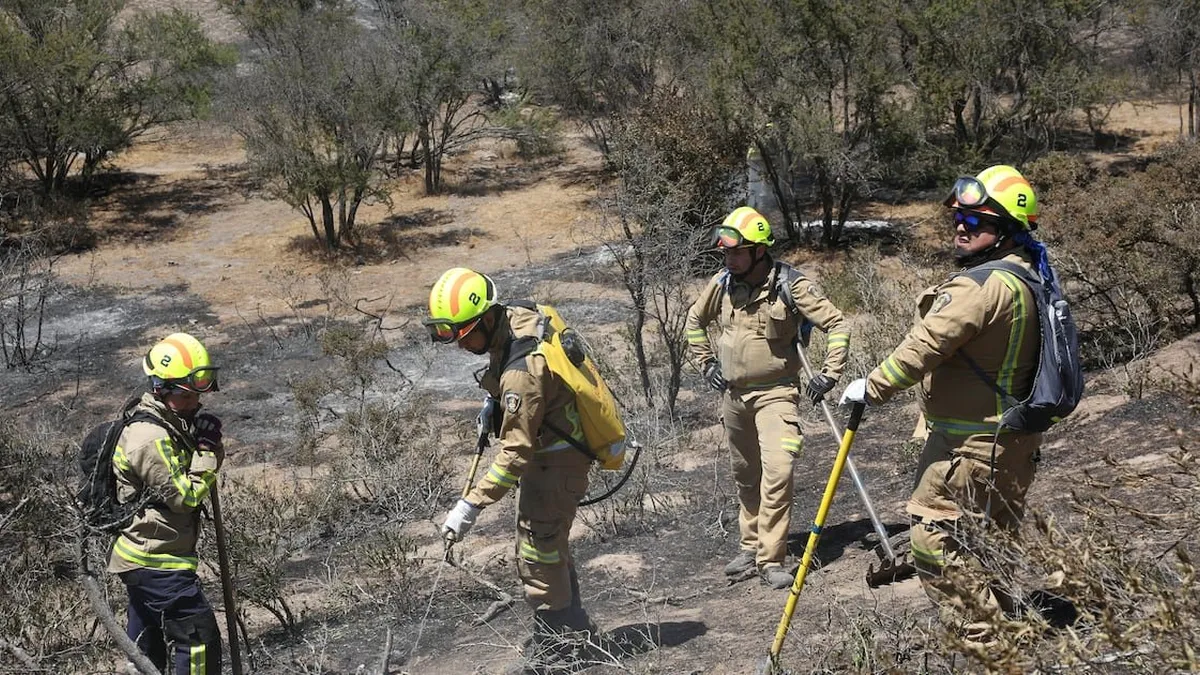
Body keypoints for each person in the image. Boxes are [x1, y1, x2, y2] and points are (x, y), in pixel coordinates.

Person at [840, 165, 1047, 647]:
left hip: (968, 446)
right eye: (958, 218)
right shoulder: (1029, 278)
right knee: (993, 541)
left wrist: (870, 386)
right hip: (1015, 442)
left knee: (932, 543)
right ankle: (1008, 630)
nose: (960, 227)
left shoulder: (981, 286)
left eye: (974, 221)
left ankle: (988, 643)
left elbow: (923, 347)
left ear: (1006, 228)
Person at [428, 268, 598, 656]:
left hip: (557, 460)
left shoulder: (522, 375)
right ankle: (574, 628)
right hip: (552, 448)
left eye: (464, 333)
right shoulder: (517, 315)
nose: (458, 344)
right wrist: (495, 401)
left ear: (488, 318)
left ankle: (560, 646)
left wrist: (471, 503)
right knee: (548, 542)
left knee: (539, 548)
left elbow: (515, 453)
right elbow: (505, 366)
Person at [684, 207, 850, 589]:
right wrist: (705, 363)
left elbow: (837, 324)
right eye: (726, 253)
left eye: (736, 252)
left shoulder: (791, 285)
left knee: (778, 471)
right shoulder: (723, 282)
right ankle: (751, 545)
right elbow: (694, 321)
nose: (729, 259)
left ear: (759, 251)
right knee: (747, 477)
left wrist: (829, 373)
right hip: (734, 398)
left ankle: (771, 561)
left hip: (777, 395)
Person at [109, 332, 225, 674]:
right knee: (199, 640)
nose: (197, 403)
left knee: (148, 647)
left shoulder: (171, 423)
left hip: (154, 556)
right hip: (156, 561)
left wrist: (209, 446)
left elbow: (193, 476)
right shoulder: (149, 437)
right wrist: (205, 450)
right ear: (163, 388)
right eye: (189, 395)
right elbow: (184, 497)